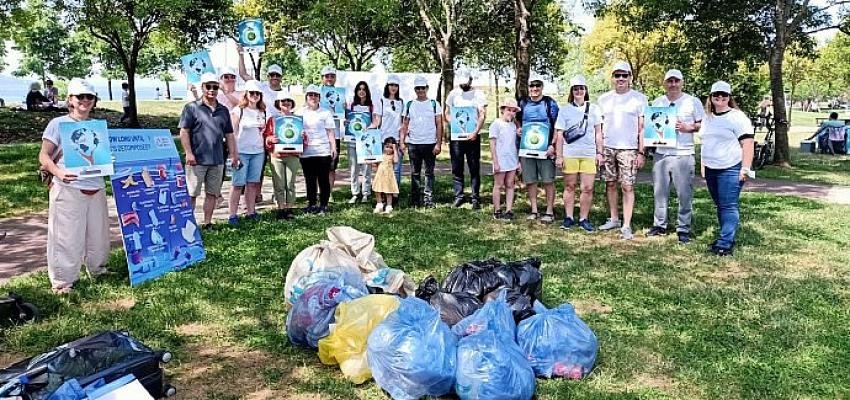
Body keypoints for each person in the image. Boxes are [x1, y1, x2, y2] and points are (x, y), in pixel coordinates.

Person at [38, 78, 110, 295]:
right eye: (80, 96)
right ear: (70, 99)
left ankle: (98, 269)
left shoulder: (97, 127)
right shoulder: (57, 124)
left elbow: (100, 156)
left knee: (98, 234)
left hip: (95, 186)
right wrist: (58, 172)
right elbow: (44, 155)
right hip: (68, 187)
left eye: (90, 97)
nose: (85, 100)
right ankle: (62, 281)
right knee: (66, 236)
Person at [647, 69, 705, 243]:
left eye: (676, 81)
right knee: (659, 192)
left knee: (684, 194)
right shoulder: (658, 101)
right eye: (670, 81)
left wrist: (689, 127)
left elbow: (702, 124)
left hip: (683, 153)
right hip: (661, 153)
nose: (673, 84)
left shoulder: (692, 101)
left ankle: (683, 228)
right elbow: (652, 125)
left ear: (682, 83)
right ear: (665, 83)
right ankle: (659, 225)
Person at [178, 72, 239, 227]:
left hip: (217, 159)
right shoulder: (191, 108)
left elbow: (229, 134)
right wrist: (189, 153)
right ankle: (187, 223)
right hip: (196, 159)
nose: (211, 90)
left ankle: (207, 222)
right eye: (208, 86)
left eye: (215, 87)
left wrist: (233, 155)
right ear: (202, 87)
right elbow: (184, 131)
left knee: (212, 193)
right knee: (191, 193)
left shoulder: (223, 110)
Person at [700, 81, 754, 256]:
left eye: (724, 94)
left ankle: (725, 243)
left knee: (728, 205)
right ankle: (725, 236)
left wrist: (745, 168)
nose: (720, 97)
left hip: (730, 168)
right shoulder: (708, 117)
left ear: (729, 97)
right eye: (716, 94)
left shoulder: (737, 117)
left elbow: (748, 143)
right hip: (711, 168)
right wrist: (703, 165)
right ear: (711, 97)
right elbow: (705, 142)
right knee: (720, 205)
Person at [597, 61, 647, 240]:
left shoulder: (639, 98)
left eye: (624, 75)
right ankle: (614, 219)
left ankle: (626, 224)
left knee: (627, 186)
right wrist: (599, 151)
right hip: (608, 147)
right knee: (610, 183)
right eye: (617, 75)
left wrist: (641, 152)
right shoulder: (603, 99)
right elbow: (598, 127)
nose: (620, 78)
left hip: (629, 149)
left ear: (630, 77)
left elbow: (642, 128)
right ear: (612, 78)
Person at [554, 75, 603, 232]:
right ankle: (569, 217)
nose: (579, 91)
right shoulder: (565, 110)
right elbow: (559, 134)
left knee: (587, 187)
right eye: (575, 89)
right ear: (572, 91)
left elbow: (598, 132)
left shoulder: (594, 109)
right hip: (570, 153)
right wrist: (559, 156)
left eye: (581, 88)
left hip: (589, 153)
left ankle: (584, 218)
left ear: (586, 90)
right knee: (570, 186)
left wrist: (600, 153)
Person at [516, 74, 560, 223]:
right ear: (528, 87)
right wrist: (519, 129)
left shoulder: (549, 103)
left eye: (537, 85)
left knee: (548, 180)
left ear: (542, 87)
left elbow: (558, 125)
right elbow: (517, 121)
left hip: (545, 149)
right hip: (527, 148)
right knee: (531, 180)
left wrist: (553, 145)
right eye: (532, 85)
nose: (534, 88)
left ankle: (549, 211)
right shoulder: (523, 103)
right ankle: (534, 210)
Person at [445, 69, 487, 209]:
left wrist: (476, 132)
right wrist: (454, 124)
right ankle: (459, 196)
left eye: (466, 82)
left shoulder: (478, 94)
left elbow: (482, 114)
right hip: (457, 138)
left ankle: (475, 198)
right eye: (461, 82)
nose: (463, 85)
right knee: (457, 167)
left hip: (473, 137)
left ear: (470, 80)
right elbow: (447, 113)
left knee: (474, 167)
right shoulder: (453, 94)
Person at [227, 80, 267, 224]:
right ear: (246, 94)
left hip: (258, 152)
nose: (255, 95)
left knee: (253, 183)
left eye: (257, 93)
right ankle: (232, 214)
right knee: (238, 184)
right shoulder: (239, 110)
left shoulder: (263, 111)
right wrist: (233, 153)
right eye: (252, 93)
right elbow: (232, 133)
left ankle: (251, 212)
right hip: (241, 152)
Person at [400, 75, 442, 208]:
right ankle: (415, 200)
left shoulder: (434, 104)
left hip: (430, 143)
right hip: (413, 144)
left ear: (427, 88)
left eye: (422, 88)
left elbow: (439, 124)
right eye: (418, 88)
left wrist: (438, 143)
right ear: (415, 90)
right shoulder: (409, 104)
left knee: (429, 173)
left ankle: (428, 199)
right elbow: (405, 124)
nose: (420, 90)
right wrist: (402, 141)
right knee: (415, 173)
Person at [263, 90, 303, 220]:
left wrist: (302, 137)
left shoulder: (298, 120)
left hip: (293, 155)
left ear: (292, 103)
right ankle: (281, 208)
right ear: (278, 103)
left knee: (290, 183)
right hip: (277, 156)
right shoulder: (273, 120)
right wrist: (270, 139)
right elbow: (266, 136)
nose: (286, 103)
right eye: (283, 101)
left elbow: (305, 139)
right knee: (279, 184)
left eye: (288, 101)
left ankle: (289, 208)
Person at [299, 84, 338, 215]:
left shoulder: (326, 113)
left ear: (319, 98)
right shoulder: (300, 112)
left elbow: (330, 132)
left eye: (316, 95)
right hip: (306, 152)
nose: (313, 97)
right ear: (306, 97)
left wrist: (333, 148)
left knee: (323, 179)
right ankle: (312, 204)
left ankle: (324, 204)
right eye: (310, 95)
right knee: (309, 179)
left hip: (323, 151)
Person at [346, 81, 381, 204]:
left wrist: (368, 128)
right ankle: (355, 193)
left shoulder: (371, 106)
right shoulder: (351, 106)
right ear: (356, 91)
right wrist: (346, 123)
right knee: (353, 168)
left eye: (364, 89)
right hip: (352, 141)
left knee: (366, 168)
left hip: (366, 141)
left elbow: (376, 122)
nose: (361, 91)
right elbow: (347, 121)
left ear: (367, 91)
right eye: (359, 89)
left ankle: (366, 193)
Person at [489, 98, 521, 221]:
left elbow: (514, 144)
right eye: (508, 110)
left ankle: (509, 209)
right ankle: (497, 210)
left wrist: (518, 161)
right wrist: (495, 162)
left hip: (512, 159)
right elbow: (492, 144)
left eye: (513, 111)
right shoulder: (496, 124)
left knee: (510, 184)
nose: (511, 113)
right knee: (498, 185)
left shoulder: (513, 125)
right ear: (502, 110)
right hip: (500, 159)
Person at [319, 65, 348, 188]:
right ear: (322, 78)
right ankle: (320, 191)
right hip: (319, 136)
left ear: (335, 78)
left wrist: (344, 108)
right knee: (319, 166)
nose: (329, 78)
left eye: (332, 76)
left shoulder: (340, 94)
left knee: (332, 166)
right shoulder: (316, 93)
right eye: (327, 76)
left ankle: (329, 192)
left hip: (335, 135)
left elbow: (345, 116)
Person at [380, 74, 405, 188]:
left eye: (396, 85)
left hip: (396, 139)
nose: (393, 87)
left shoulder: (401, 102)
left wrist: (402, 141)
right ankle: (383, 191)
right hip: (383, 139)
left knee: (396, 169)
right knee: (383, 167)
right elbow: (377, 120)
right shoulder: (381, 100)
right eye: (391, 85)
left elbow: (402, 122)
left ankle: (395, 193)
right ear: (387, 86)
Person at [372, 137, 400, 214]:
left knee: (388, 192)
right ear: (384, 146)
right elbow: (374, 163)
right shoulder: (381, 155)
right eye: (387, 147)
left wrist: (395, 149)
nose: (388, 149)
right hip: (380, 176)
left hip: (388, 177)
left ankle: (389, 206)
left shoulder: (392, 156)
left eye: (391, 148)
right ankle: (379, 204)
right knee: (377, 190)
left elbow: (396, 161)